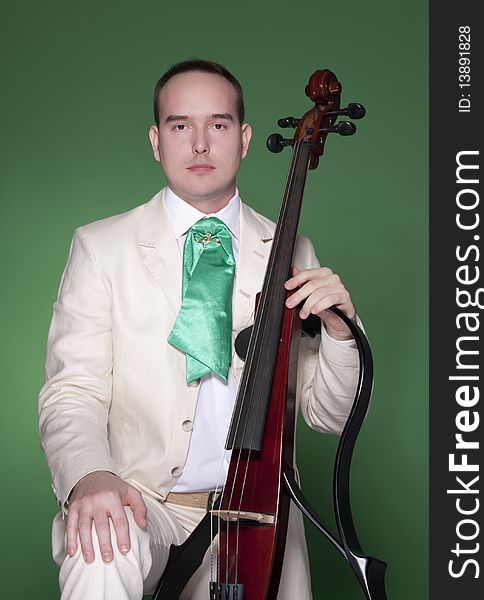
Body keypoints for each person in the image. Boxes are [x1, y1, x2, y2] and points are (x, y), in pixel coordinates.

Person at [38, 59, 361, 600]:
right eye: (179, 126)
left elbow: (328, 416)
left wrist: (341, 333)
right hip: (147, 503)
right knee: (99, 545)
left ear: (245, 138)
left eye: (218, 124)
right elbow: (72, 391)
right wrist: (89, 478)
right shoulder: (101, 247)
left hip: (259, 516)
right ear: (156, 141)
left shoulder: (290, 252)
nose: (200, 145)